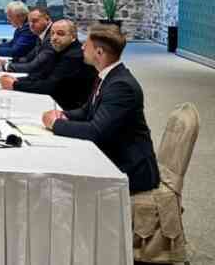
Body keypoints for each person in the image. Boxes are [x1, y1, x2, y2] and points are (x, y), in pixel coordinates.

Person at [42, 26, 160, 194]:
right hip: (113, 152)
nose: (82, 47)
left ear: (99, 52)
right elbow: (87, 111)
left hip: (130, 169)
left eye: (86, 44)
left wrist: (55, 124)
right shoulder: (108, 76)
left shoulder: (121, 86)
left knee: (58, 181)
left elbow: (95, 131)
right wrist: (63, 114)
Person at [0, 19, 96, 110]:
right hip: (55, 102)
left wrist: (15, 85)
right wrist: (16, 80)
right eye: (52, 33)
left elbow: (49, 86)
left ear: (73, 37)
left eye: (60, 34)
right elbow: (41, 74)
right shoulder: (59, 49)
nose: (54, 38)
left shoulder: (74, 56)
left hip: (68, 109)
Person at [0, 7, 54, 74]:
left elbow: (33, 67)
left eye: (35, 21)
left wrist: (5, 66)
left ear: (47, 19)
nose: (31, 25)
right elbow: (28, 58)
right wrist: (7, 62)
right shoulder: (40, 34)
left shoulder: (51, 37)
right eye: (30, 22)